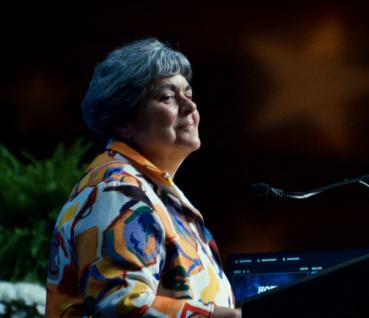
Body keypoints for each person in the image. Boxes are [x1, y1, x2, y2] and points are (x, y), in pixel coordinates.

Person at [46, 38, 240, 318]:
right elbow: (124, 306)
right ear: (124, 122)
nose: (190, 106)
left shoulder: (151, 191)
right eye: (168, 97)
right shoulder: (116, 191)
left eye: (188, 93)